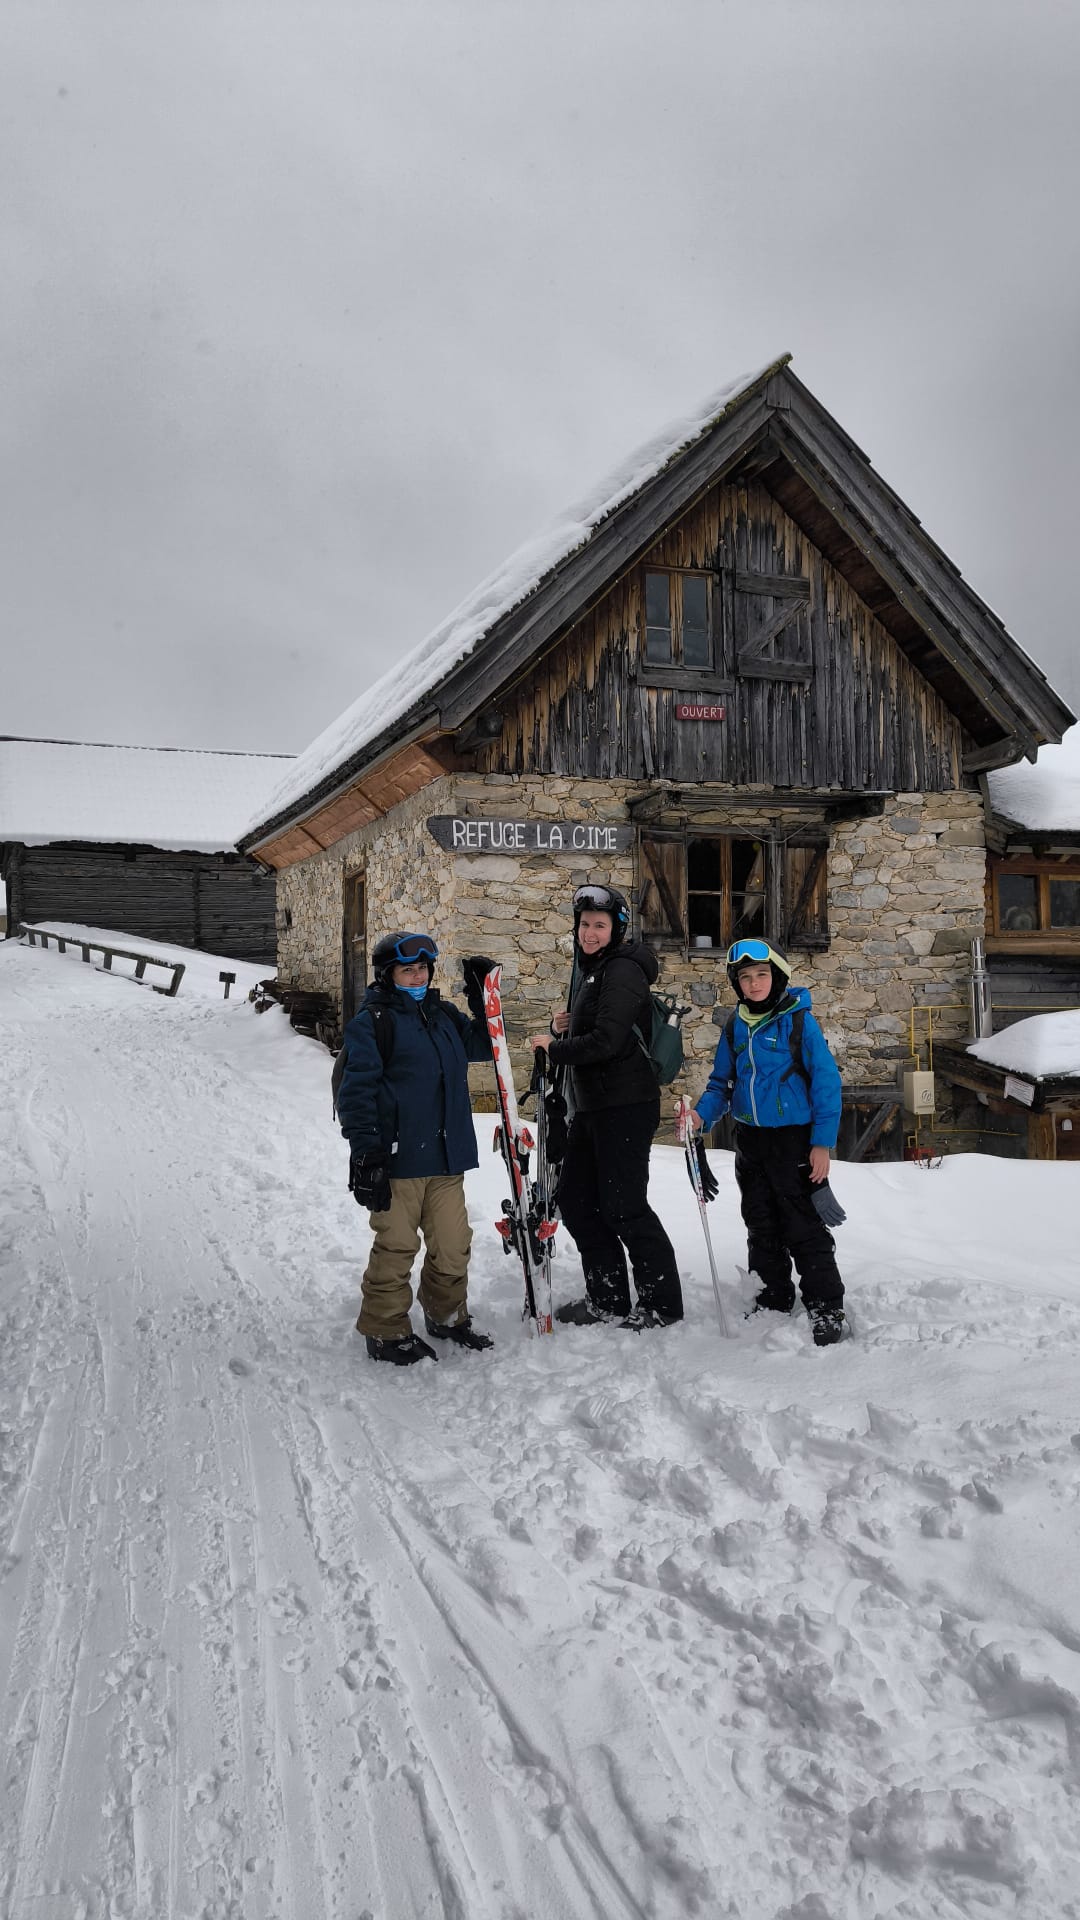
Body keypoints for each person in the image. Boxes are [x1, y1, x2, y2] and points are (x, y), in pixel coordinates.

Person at [527, 884, 683, 1331]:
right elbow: (602, 1024)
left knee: (624, 1206)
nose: (589, 933)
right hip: (592, 1106)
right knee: (576, 1201)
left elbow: (608, 1041)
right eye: (584, 924)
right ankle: (608, 1298)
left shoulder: (622, 970)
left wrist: (555, 1047)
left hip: (626, 1105)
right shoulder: (593, 969)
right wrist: (569, 1022)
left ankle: (662, 1303)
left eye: (599, 925)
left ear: (616, 930)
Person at [336, 932, 496, 1366]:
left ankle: (445, 1315)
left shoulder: (443, 1015)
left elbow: (482, 1047)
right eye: (409, 969)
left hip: (446, 1157)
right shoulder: (372, 1023)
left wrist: (483, 1002)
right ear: (388, 975)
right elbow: (357, 1091)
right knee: (397, 1246)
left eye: (423, 968)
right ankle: (386, 1329)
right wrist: (367, 1153)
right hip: (398, 1159)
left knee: (453, 1243)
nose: (418, 975)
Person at [684, 937, 846, 1346]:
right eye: (745, 977)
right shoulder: (736, 1025)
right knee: (760, 1223)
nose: (753, 983)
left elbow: (827, 1082)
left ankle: (826, 1306)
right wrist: (701, 1116)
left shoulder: (798, 1021)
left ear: (777, 976)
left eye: (761, 975)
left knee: (804, 1227)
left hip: (794, 1141)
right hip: (751, 1141)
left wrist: (822, 1143)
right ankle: (772, 1296)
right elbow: (722, 1082)